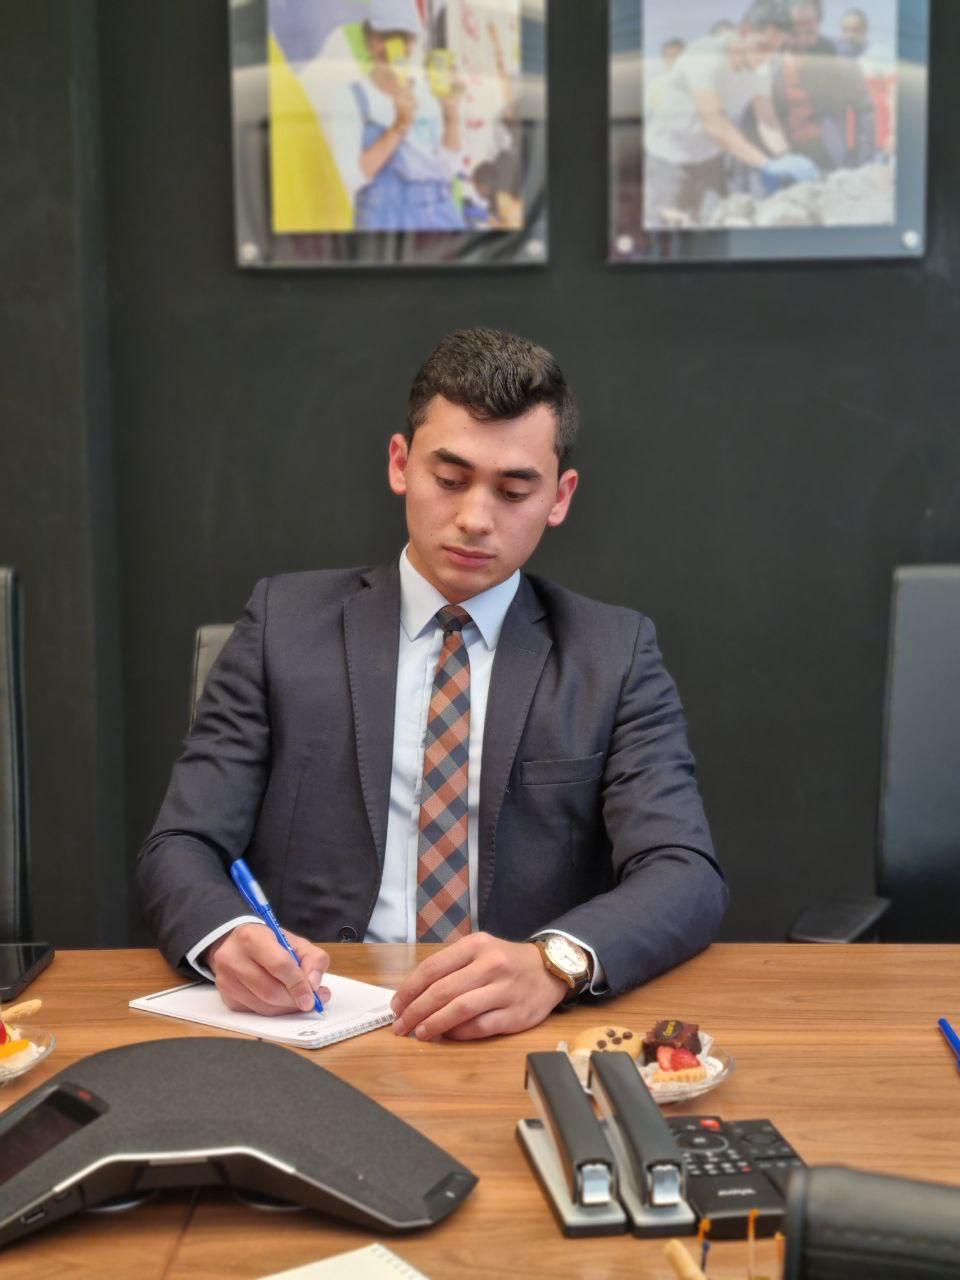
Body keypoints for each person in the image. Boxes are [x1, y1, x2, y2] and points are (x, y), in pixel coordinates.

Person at [138, 329, 727, 1042]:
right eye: (449, 480)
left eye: (514, 491)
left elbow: (682, 871)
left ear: (560, 497)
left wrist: (554, 963)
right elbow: (183, 842)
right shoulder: (282, 626)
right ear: (400, 463)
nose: (475, 519)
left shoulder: (613, 654)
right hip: (314, 1018)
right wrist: (227, 936)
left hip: (518, 1027)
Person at [643, 0, 820, 228]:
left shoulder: (762, 67)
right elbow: (715, 124)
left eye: (776, 49)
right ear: (744, 31)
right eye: (763, 46)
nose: (768, 57)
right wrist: (765, 164)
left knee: (717, 226)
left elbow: (767, 120)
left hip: (711, 159)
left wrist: (785, 157)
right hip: (670, 159)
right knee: (667, 230)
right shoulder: (704, 57)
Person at [304, 0, 465, 232]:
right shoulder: (349, 97)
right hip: (383, 220)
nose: (392, 47)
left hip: (439, 215)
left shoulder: (429, 91)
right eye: (385, 36)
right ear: (368, 40)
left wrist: (452, 113)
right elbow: (351, 177)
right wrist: (399, 126)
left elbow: (448, 168)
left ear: (412, 43)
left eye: (402, 37)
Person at [771, 0, 876, 172]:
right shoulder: (770, 57)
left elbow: (864, 108)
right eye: (795, 32)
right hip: (783, 155)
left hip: (828, 155)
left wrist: (864, 162)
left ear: (819, 23)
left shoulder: (839, 56)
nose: (803, 40)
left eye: (810, 32)